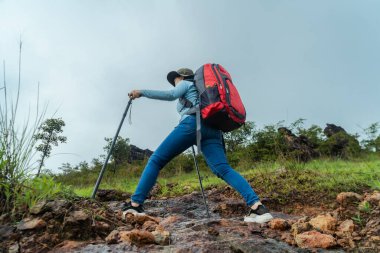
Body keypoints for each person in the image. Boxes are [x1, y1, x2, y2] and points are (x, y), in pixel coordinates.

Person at [125, 68, 273, 223]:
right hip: (213, 129)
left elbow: (170, 95)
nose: (174, 82)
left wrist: (141, 92)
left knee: (156, 160)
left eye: (174, 79)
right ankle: (258, 208)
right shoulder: (203, 90)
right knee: (224, 169)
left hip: (191, 125)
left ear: (181, 77)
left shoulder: (185, 84)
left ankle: (135, 205)